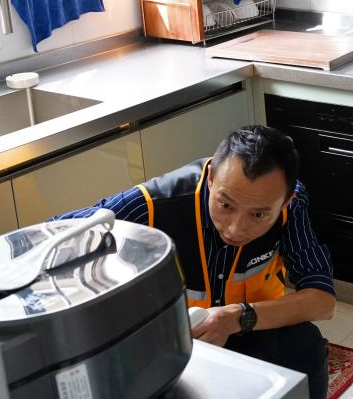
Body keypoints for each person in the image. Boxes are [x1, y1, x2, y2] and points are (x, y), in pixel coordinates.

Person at [55, 125, 335, 399]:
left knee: (305, 345)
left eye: (258, 215)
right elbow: (51, 236)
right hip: (173, 347)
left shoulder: (291, 207)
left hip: (249, 327)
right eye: (226, 205)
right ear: (211, 178)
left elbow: (322, 301)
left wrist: (237, 318)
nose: (236, 229)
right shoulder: (151, 204)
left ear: (286, 201)